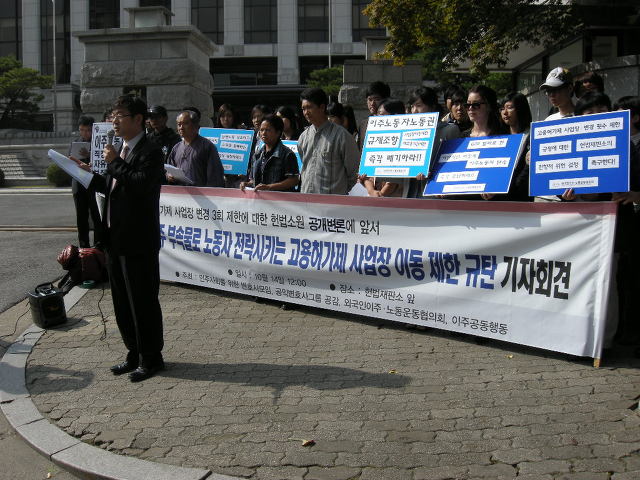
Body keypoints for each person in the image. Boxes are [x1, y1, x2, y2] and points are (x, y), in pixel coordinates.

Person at [77, 95, 165, 382]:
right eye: (113, 115)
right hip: (115, 238)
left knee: (142, 301)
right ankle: (133, 353)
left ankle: (151, 358)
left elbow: (139, 184)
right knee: (122, 301)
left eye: (120, 115)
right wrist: (89, 175)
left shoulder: (150, 151)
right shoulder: (122, 149)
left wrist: (114, 162)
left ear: (138, 119)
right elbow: (115, 186)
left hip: (138, 239)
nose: (114, 120)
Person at [298, 87, 360, 195]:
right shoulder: (303, 137)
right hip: (307, 202)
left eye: (309, 107)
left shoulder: (342, 136)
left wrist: (340, 192)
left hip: (333, 204)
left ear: (322, 107)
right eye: (303, 109)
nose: (306, 112)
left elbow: (354, 172)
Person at [407, 86, 462, 198]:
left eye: (419, 106)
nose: (414, 111)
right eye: (412, 107)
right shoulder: (406, 132)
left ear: (432, 107)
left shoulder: (449, 130)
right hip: (410, 194)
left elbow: (454, 165)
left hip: (436, 194)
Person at [239, 114, 299, 192]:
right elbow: (254, 181)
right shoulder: (257, 155)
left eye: (268, 130)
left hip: (281, 201)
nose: (263, 133)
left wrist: (270, 187)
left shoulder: (287, 154)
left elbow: (293, 180)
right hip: (260, 201)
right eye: (261, 130)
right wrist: (246, 184)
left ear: (278, 132)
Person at [166, 109, 224, 187]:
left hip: (201, 195)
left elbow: (215, 176)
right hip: (181, 195)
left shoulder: (207, 146)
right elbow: (169, 168)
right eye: (179, 124)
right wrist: (169, 175)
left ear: (195, 126)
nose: (181, 127)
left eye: (185, 123)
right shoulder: (176, 148)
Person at [69, 115, 103, 248]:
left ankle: (98, 246)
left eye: (88, 130)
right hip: (78, 182)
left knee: (96, 214)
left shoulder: (99, 143)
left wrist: (89, 154)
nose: (85, 133)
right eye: (82, 130)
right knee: (81, 216)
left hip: (93, 183)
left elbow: (101, 162)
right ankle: (84, 246)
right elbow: (70, 160)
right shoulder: (75, 142)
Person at [358, 81, 390, 150]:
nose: (372, 103)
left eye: (377, 99)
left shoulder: (393, 121)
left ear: (386, 99)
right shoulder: (363, 125)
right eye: (370, 99)